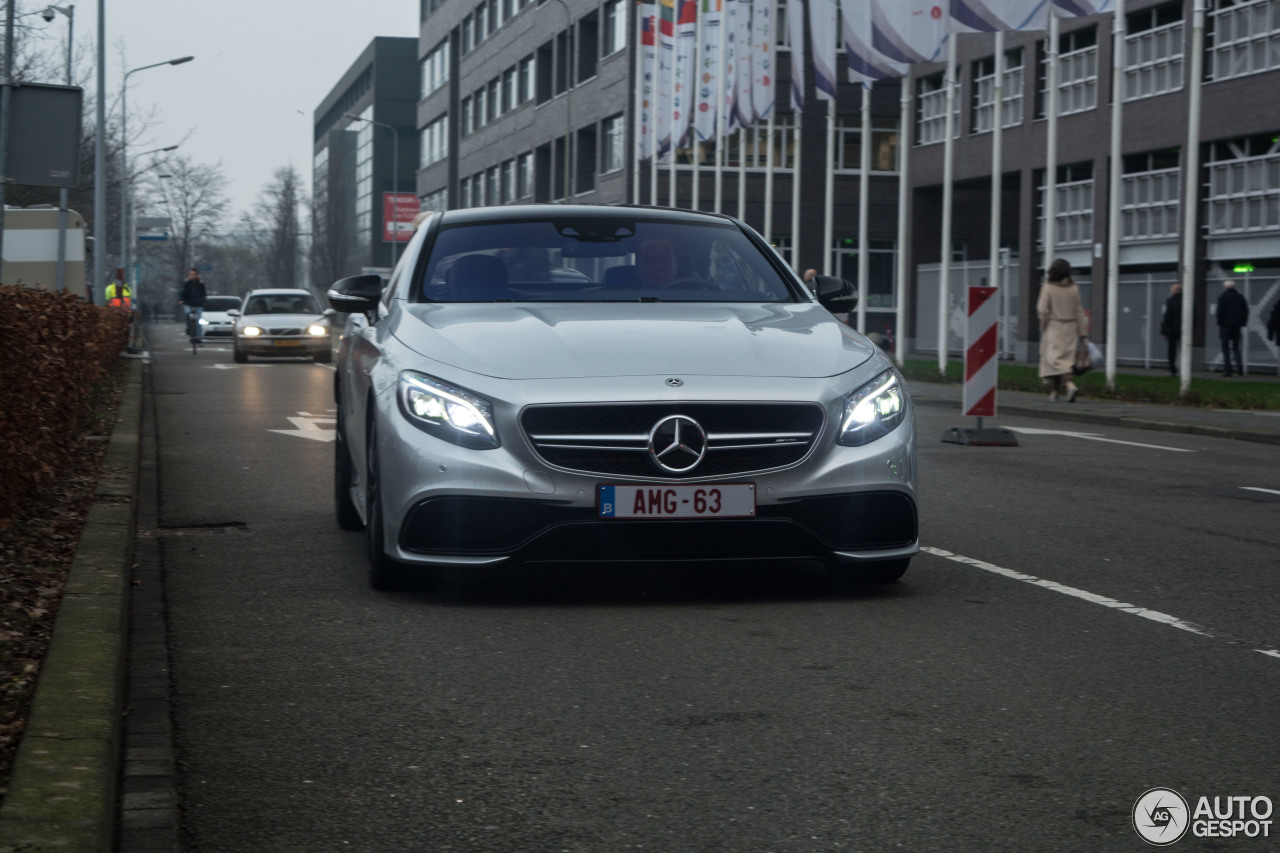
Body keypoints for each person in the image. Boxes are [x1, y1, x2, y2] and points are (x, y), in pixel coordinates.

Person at [1036, 258, 1087, 402]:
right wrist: (1083, 334)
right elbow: (1079, 312)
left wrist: (1043, 326)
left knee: (1055, 360)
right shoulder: (1074, 288)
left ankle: (1069, 386)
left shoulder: (1048, 287)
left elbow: (1042, 309)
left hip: (1054, 326)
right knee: (1065, 361)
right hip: (1070, 328)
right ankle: (1056, 393)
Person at [1216, 279, 1248, 377]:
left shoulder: (1223, 297)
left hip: (1225, 326)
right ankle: (1239, 365)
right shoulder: (1240, 297)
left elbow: (1219, 312)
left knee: (1225, 348)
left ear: (1226, 287)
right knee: (1236, 346)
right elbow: (1245, 311)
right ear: (1234, 287)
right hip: (1237, 326)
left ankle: (1228, 370)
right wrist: (1243, 323)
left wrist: (1220, 323)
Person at [178, 267, 208, 344]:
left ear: (197, 275)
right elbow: (182, 292)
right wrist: (181, 300)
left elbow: (204, 294)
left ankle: (199, 338)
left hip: (198, 304)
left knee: (199, 321)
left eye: (194, 274)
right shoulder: (186, 283)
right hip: (188, 303)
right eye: (191, 274)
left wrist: (203, 301)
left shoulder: (200, 283)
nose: (192, 276)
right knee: (188, 314)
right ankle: (189, 329)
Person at [1159, 283, 1183, 375]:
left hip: (1173, 329)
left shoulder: (1170, 301)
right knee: (1184, 348)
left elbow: (1167, 317)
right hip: (1184, 329)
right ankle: (1184, 367)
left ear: (1174, 291)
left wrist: (1164, 331)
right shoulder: (1187, 300)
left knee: (1171, 349)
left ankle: (1172, 368)